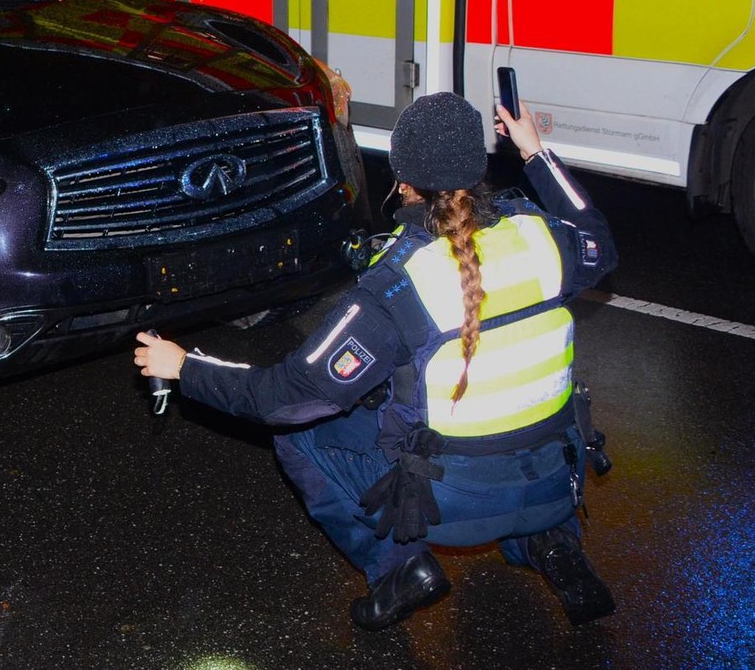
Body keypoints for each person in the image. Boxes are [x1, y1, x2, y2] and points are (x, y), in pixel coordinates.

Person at [135, 91, 618, 632]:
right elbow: (597, 233)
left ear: (404, 181)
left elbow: (285, 397)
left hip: (446, 503)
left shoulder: (398, 285)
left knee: (301, 434)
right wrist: (535, 154)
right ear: (479, 169)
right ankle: (556, 544)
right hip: (556, 479)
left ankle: (397, 571)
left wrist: (185, 366)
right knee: (510, 422)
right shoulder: (545, 239)